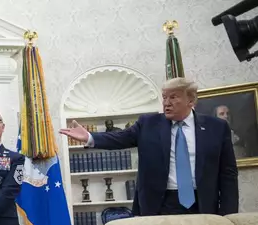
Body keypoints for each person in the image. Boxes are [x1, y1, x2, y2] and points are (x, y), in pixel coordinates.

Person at [60, 77, 238, 216]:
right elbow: (120, 138)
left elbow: (228, 173)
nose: (166, 102)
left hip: (204, 204)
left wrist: (229, 214)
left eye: (173, 97)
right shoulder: (148, 124)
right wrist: (90, 137)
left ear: (190, 101)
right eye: (164, 97)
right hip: (161, 205)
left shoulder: (217, 127)